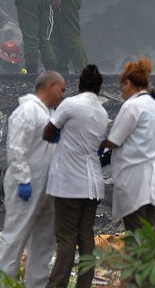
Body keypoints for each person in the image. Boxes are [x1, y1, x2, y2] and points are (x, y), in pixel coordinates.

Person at [0, 70, 66, 288]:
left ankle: (37, 284)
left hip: (48, 185)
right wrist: (23, 179)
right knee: (15, 237)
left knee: (44, 241)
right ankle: (1, 283)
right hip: (27, 185)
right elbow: (16, 149)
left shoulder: (48, 113)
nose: (63, 95)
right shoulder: (27, 111)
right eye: (61, 90)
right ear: (51, 86)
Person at [43, 64, 107, 288]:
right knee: (86, 237)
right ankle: (84, 285)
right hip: (93, 184)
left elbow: (48, 132)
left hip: (68, 182)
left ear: (80, 85)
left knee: (66, 238)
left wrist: (60, 138)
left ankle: (57, 284)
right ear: (99, 89)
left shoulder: (70, 104)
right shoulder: (102, 112)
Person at [101, 57, 155, 232]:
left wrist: (95, 145)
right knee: (153, 235)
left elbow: (114, 141)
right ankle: (154, 260)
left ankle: (139, 260)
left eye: (122, 86)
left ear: (129, 83)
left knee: (136, 232)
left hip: (135, 179)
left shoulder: (131, 106)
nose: (121, 91)